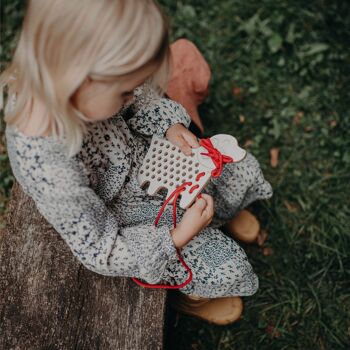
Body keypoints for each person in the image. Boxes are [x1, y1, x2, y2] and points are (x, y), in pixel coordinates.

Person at [0, 0, 272, 326]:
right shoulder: (52, 171)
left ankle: (220, 212)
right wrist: (176, 238)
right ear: (78, 81)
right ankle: (192, 295)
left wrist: (167, 125)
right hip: (127, 213)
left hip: (149, 155)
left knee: (235, 169)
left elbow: (142, 97)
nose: (132, 96)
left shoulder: (88, 89)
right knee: (224, 264)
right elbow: (102, 249)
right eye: (124, 92)